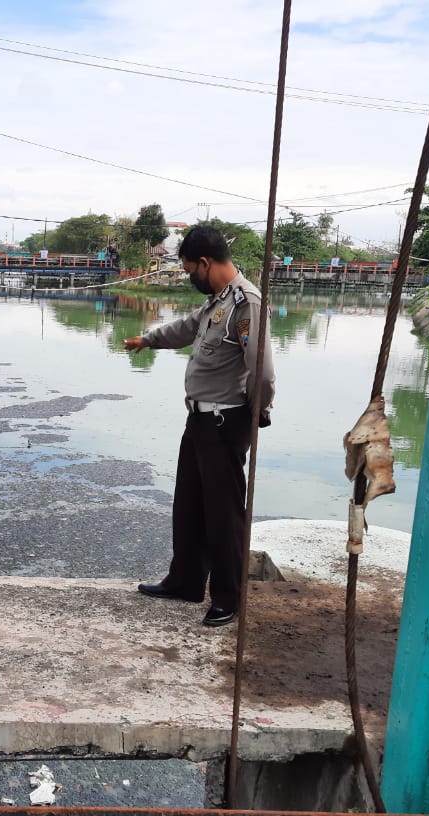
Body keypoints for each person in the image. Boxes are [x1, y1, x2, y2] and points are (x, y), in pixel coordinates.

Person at [123, 226, 275, 627]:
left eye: (191, 270)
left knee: (223, 514)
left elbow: (260, 368)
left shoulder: (246, 303)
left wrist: (259, 411)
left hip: (225, 422)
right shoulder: (218, 302)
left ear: (206, 263)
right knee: (188, 504)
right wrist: (147, 340)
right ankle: (186, 581)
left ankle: (228, 597)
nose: (191, 277)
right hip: (200, 420)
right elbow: (186, 328)